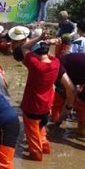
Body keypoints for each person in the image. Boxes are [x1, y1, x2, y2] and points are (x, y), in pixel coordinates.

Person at [14, 33, 60, 161]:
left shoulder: (36, 66)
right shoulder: (56, 63)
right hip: (47, 105)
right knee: (41, 129)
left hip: (33, 106)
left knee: (33, 135)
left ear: (35, 54)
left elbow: (24, 48)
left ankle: (36, 157)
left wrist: (40, 38)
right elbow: (31, 50)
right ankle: (45, 148)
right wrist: (46, 42)